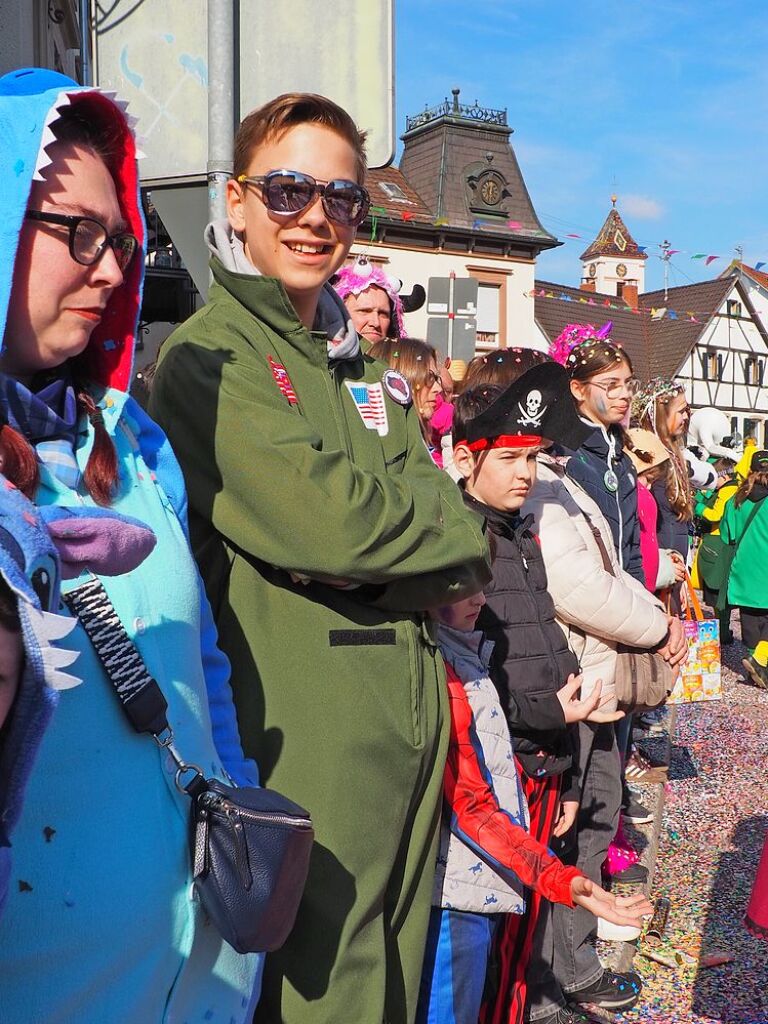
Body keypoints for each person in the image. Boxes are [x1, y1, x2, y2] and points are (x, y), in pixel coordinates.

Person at [149, 92, 490, 1024]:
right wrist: (428, 526)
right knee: (323, 987)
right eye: (290, 188)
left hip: (410, 723)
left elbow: (437, 519)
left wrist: (425, 527)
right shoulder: (208, 355)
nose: (315, 217)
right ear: (237, 199)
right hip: (307, 731)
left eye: (340, 197)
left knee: (396, 972)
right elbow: (338, 527)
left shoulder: (364, 367)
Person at [0, 68, 261, 1022]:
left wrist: (237, 790)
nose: (111, 271)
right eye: (76, 232)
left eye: (118, 239)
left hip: (202, 973)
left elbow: (203, 663)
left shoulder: (133, 438)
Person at [450, 364, 643, 1024]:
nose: (525, 474)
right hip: (487, 776)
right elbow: (474, 681)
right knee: (486, 937)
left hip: (539, 760)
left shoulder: (520, 530)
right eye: (507, 458)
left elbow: (545, 646)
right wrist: (545, 717)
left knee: (522, 925)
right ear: (463, 457)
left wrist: (559, 765)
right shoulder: (462, 538)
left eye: (532, 457)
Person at [417, 584, 653, 1024]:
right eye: (462, 587)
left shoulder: (467, 657)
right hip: (455, 893)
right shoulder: (443, 671)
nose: (480, 599)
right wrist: (559, 879)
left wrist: (564, 881)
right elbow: (472, 805)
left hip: (482, 877)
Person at [550, 327, 645, 585]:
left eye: (628, 384)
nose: (625, 394)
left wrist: (646, 602)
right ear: (578, 389)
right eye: (611, 385)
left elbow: (632, 549)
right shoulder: (561, 454)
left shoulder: (622, 461)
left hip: (630, 605)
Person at [631, 378, 694, 563]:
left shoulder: (674, 454)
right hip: (659, 564)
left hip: (674, 565)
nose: (686, 417)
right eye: (681, 411)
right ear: (661, 414)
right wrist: (666, 564)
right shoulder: (647, 456)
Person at [721, 449, 768, 690]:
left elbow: (728, 535)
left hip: (743, 570)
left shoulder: (735, 499)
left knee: (750, 621)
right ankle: (759, 660)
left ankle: (755, 667)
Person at [626, 428, 687, 593]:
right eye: (649, 479)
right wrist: (666, 570)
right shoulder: (636, 497)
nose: (650, 486)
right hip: (638, 589)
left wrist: (665, 556)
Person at [368, 336, 444, 463]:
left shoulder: (413, 444)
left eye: (437, 379)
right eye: (429, 377)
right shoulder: (382, 453)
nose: (438, 388)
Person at [333, 255, 405, 343]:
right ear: (339, 313)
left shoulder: (404, 355)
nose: (376, 323)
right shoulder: (317, 353)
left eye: (383, 314)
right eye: (365, 311)